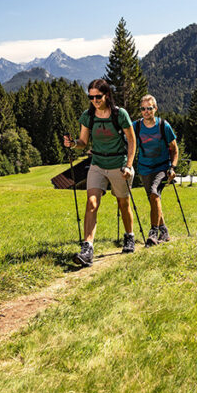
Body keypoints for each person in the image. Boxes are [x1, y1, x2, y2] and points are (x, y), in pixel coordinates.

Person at [63, 78, 136, 267]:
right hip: (97, 163)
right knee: (91, 202)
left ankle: (129, 235)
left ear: (107, 95)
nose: (94, 100)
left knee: (123, 202)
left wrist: (128, 165)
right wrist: (73, 144)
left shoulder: (120, 115)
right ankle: (87, 248)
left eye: (98, 96)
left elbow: (132, 140)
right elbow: (83, 143)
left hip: (118, 164)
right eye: (91, 97)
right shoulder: (88, 116)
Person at [132, 94, 179, 246]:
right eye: (143, 109)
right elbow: (125, 139)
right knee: (154, 199)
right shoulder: (136, 126)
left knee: (154, 193)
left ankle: (153, 232)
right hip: (144, 169)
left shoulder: (163, 126)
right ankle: (164, 231)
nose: (146, 111)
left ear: (155, 109)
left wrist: (172, 167)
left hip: (162, 168)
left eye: (149, 108)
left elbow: (174, 149)